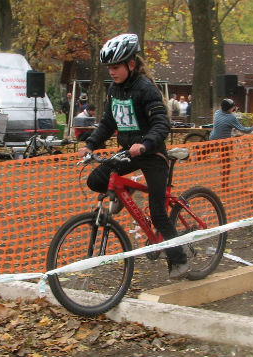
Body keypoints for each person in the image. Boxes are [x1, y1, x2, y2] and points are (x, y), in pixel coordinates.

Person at [78, 33, 189, 280]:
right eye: (109, 67)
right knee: (95, 180)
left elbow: (162, 123)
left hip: (152, 154)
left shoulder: (145, 89)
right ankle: (125, 192)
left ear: (130, 64)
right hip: (128, 152)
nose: (112, 72)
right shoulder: (115, 89)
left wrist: (146, 143)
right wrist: (90, 145)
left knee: (158, 213)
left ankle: (179, 259)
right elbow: (108, 123)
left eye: (116, 67)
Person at [209, 98, 253, 190]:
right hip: (224, 143)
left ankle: (197, 155)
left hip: (212, 139)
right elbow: (244, 130)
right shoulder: (231, 117)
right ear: (230, 108)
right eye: (233, 107)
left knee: (209, 154)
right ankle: (224, 185)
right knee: (226, 164)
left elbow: (224, 124)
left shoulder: (217, 113)